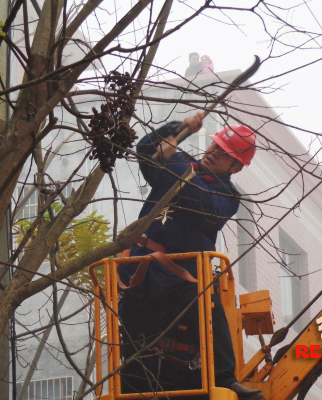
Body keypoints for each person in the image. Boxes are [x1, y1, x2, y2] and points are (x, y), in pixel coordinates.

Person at [119, 112, 264, 400]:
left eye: (224, 153)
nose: (214, 153)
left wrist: (171, 157)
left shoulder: (225, 196)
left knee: (209, 308)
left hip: (177, 276)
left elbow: (194, 195)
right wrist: (179, 128)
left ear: (236, 166)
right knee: (133, 330)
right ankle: (132, 379)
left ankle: (224, 378)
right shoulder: (182, 164)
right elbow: (147, 150)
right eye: (215, 146)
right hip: (139, 268)